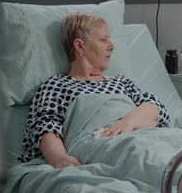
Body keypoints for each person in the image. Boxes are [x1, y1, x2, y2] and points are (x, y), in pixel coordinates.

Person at [18, 13, 171, 168]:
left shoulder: (121, 82)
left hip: (143, 136)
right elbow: (46, 127)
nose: (112, 46)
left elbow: (155, 110)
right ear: (79, 46)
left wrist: (126, 123)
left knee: (179, 150)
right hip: (101, 142)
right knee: (148, 160)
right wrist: (59, 158)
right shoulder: (56, 85)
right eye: (104, 39)